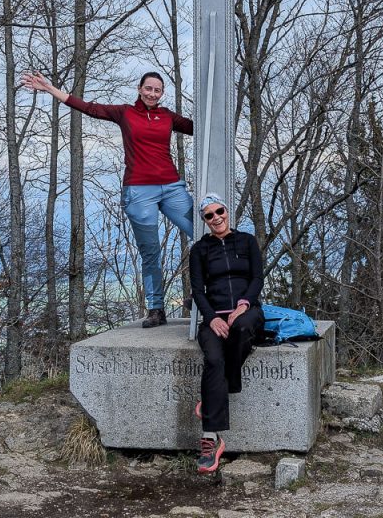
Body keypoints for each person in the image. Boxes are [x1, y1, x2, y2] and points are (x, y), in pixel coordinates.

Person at [21, 70, 193, 328]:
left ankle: (202, 295)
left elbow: (200, 128)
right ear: (139, 88)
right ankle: (156, 308)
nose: (152, 94)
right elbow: (88, 108)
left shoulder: (167, 116)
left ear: (162, 93)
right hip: (138, 192)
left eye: (157, 90)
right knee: (150, 252)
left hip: (172, 187)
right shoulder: (125, 113)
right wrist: (49, 89)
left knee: (205, 231)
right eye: (148, 88)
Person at [189, 194, 264, 474]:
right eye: (209, 215)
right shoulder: (199, 250)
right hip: (214, 316)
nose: (216, 217)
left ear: (227, 211)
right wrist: (211, 319)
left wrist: (243, 305)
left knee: (243, 328)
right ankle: (211, 440)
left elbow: (257, 277)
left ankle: (210, 401)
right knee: (213, 360)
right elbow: (198, 290)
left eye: (219, 211)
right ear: (205, 222)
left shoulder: (246, 241)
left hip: (247, 311)